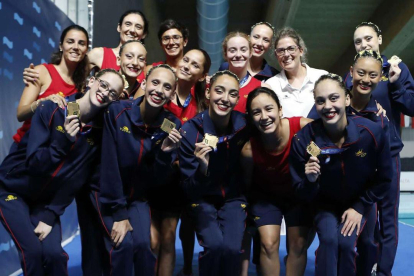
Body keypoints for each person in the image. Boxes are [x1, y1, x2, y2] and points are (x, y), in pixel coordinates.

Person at [0, 68, 124, 276]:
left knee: (55, 255)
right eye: (103, 85)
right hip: (13, 190)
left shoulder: (99, 131)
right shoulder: (52, 109)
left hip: (44, 201)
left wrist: (50, 215)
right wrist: (64, 141)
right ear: (92, 81)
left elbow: (77, 178)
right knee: (32, 252)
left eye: (113, 93)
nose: (105, 92)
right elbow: (34, 164)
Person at [289, 73, 392, 276]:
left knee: (347, 245)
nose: (328, 106)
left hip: (360, 200)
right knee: (328, 240)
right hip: (323, 204)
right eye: (320, 101)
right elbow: (299, 191)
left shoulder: (371, 133)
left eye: (334, 98)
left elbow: (385, 178)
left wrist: (360, 206)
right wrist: (310, 182)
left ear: (346, 99)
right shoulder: (303, 140)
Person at [92, 64, 182, 276]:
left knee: (145, 245)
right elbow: (109, 165)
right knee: (123, 245)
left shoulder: (171, 123)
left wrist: (165, 154)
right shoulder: (117, 111)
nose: (159, 90)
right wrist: (120, 214)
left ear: (172, 94)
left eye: (167, 87)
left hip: (138, 197)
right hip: (107, 194)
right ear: (144, 83)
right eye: (155, 83)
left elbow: (157, 178)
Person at [344, 22, 414, 276]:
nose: (364, 44)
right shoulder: (351, 73)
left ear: (380, 39)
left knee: (387, 221)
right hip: (358, 159)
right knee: (363, 219)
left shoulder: (396, 69)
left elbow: (412, 107)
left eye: (368, 38)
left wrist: (395, 84)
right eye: (358, 41)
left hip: (387, 156)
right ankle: (362, 269)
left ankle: (383, 272)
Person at [144, 49, 210, 276]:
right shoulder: (159, 93)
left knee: (170, 236)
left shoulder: (202, 105)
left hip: (178, 181)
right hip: (151, 175)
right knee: (152, 242)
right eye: (186, 60)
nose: (187, 66)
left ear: (202, 75)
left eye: (195, 65)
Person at [179, 70, 249, 276]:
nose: (225, 99)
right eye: (219, 91)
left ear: (238, 98)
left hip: (234, 198)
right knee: (215, 246)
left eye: (232, 94)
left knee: (232, 249)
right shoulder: (190, 131)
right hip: (201, 198)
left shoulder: (244, 125)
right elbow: (188, 188)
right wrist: (202, 169)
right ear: (208, 93)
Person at [241, 87, 312, 276]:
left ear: (280, 110)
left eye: (269, 109)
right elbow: (247, 185)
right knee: (268, 243)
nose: (264, 116)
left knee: (298, 243)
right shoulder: (249, 150)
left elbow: (334, 128)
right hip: (266, 198)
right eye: (257, 112)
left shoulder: (303, 127)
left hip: (297, 194)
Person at [13, 24, 89, 152]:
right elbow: (20, 114)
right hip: (25, 148)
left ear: (86, 49)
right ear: (61, 46)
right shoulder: (41, 72)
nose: (75, 47)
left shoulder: (81, 86)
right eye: (70, 42)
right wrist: (41, 103)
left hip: (52, 153)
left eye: (81, 43)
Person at [266, 27, 328, 117]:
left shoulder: (322, 77)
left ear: (301, 51)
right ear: (276, 55)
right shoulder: (271, 85)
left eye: (291, 48)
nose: (286, 54)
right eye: (281, 50)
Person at [222, 31, 269, 113]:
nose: (238, 55)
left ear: (250, 53)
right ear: (225, 54)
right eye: (232, 50)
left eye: (243, 50)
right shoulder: (213, 85)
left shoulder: (262, 88)